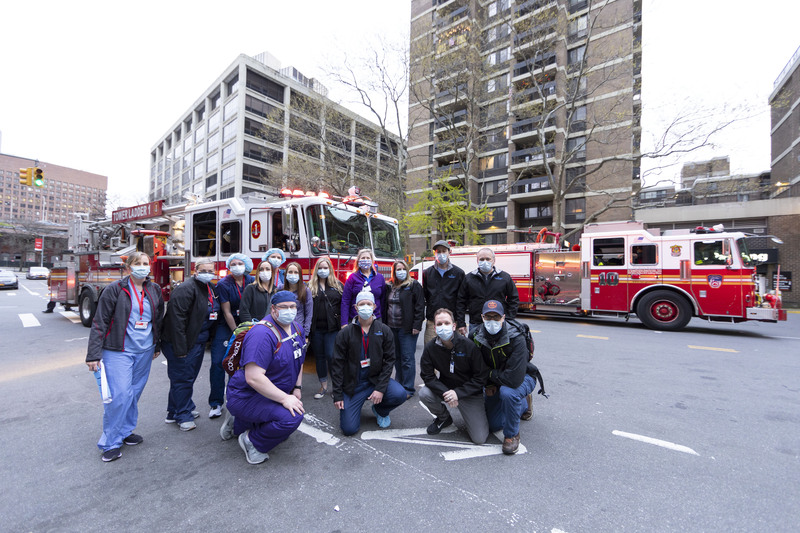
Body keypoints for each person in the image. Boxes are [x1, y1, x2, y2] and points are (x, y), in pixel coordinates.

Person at [85, 252, 164, 462]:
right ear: (128, 268)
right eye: (137, 264)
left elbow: (158, 320)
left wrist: (157, 344)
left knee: (133, 394)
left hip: (145, 350)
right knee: (119, 395)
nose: (142, 267)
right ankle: (110, 442)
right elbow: (99, 321)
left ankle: (126, 430)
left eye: (146, 264)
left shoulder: (154, 289)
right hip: (118, 350)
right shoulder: (115, 289)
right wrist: (93, 354)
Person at [222, 291, 307, 465]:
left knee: (286, 413)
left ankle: (239, 422)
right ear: (273, 309)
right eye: (284, 307)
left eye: (293, 307)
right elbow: (253, 378)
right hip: (247, 395)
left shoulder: (297, 328)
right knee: (292, 416)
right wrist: (285, 398)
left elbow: (299, 358)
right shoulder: (262, 334)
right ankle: (251, 441)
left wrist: (297, 388)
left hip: (269, 393)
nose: (289, 311)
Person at [330, 291, 407, 435]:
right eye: (361, 304)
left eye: (368, 304)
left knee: (400, 394)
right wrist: (338, 394)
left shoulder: (384, 330)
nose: (365, 307)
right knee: (349, 429)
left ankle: (380, 410)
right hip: (354, 385)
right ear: (356, 307)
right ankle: (352, 408)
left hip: (375, 381)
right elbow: (337, 365)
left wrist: (380, 388)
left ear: (374, 306)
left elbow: (389, 360)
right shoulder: (345, 333)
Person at [469, 300, 536, 455]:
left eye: (496, 317)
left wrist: (490, 377)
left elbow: (514, 379)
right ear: (482, 317)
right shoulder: (475, 335)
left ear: (503, 317)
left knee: (508, 393)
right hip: (497, 380)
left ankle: (512, 435)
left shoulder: (516, 337)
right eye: (488, 317)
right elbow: (474, 366)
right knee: (493, 425)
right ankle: (524, 405)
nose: (492, 321)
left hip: (521, 378)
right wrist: (487, 383)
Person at [161, 258, 219, 431]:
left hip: (197, 341)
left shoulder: (210, 288)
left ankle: (174, 411)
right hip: (181, 343)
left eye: (210, 270)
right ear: (195, 270)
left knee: (186, 378)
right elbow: (176, 321)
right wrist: (181, 350)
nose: (207, 273)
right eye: (203, 270)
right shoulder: (186, 289)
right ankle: (183, 414)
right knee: (183, 379)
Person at [419, 308, 489, 444]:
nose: (443, 327)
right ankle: (443, 417)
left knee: (479, 438)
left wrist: (458, 393)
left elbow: (481, 377)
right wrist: (446, 392)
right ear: (434, 327)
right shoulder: (431, 348)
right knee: (424, 393)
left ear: (454, 325)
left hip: (469, 392)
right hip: (446, 389)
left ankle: (481, 410)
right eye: (439, 324)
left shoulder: (468, 346)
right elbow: (427, 375)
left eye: (446, 323)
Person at [208, 253, 254, 419]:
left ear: (246, 265)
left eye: (240, 263)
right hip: (227, 326)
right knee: (219, 362)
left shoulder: (251, 280)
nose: (236, 266)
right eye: (233, 263)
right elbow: (226, 312)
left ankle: (238, 399)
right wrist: (238, 333)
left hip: (248, 323)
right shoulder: (223, 284)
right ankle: (216, 403)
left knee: (243, 363)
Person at [383, 259, 424, 398]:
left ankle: (408, 388)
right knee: (396, 357)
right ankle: (399, 385)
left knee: (407, 359)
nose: (400, 272)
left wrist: (417, 325)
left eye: (402, 269)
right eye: (397, 269)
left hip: (407, 329)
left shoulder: (414, 285)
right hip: (391, 328)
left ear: (407, 270)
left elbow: (419, 307)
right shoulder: (389, 286)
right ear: (393, 272)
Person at [457, 248, 519, 336]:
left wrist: (508, 319)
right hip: (476, 322)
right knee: (476, 348)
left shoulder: (505, 277)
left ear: (494, 260)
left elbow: (514, 299)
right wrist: (461, 323)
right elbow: (461, 302)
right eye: (481, 259)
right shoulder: (469, 278)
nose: (485, 261)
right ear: (477, 261)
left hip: (498, 323)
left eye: (488, 259)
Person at [309, 256, 342, 399]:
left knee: (331, 356)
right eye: (320, 268)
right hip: (316, 329)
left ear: (330, 269)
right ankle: (323, 386)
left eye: (325, 267)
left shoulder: (338, 285)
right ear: (316, 270)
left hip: (332, 329)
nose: (323, 270)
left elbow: (344, 305)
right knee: (320, 357)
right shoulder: (310, 287)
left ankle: (337, 387)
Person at [422, 240, 465, 345]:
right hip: (433, 322)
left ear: (449, 252)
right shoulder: (427, 273)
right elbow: (426, 296)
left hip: (453, 321)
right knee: (430, 350)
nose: (441, 254)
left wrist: (461, 323)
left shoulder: (458, 273)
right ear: (435, 253)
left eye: (444, 251)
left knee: (454, 351)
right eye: (438, 251)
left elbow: (462, 299)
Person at [340, 248, 387, 327]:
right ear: (358, 261)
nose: (365, 260)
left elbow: (383, 300)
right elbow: (345, 300)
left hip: (375, 319)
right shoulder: (352, 278)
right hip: (356, 319)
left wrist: (383, 319)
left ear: (372, 260)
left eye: (368, 258)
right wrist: (344, 322)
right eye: (363, 258)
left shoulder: (380, 278)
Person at [240, 257, 279, 322]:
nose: (264, 271)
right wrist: (252, 327)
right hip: (254, 327)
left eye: (267, 269)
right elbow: (244, 311)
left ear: (272, 272)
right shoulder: (250, 289)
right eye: (261, 269)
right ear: (258, 273)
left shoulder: (276, 291)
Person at [283, 261, 312, 338]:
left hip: (298, 331)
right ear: (286, 274)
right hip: (282, 330)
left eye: (296, 272)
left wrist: (305, 334)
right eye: (290, 272)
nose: (293, 274)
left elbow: (308, 314)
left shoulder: (306, 291)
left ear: (300, 275)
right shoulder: (280, 290)